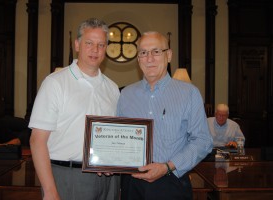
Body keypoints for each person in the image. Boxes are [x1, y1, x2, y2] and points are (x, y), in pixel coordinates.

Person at [28, 18, 120, 200]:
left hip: (108, 179)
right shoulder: (55, 83)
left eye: (101, 45)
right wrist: (49, 191)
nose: (95, 49)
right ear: (77, 45)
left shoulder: (113, 88)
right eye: (89, 43)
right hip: (67, 176)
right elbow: (37, 141)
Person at [117, 31, 213, 200]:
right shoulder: (126, 94)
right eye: (143, 53)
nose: (149, 58)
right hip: (132, 184)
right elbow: (118, 137)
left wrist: (167, 167)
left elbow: (203, 141)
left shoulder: (189, 93)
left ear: (168, 55)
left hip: (171, 182)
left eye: (156, 51)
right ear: (138, 59)